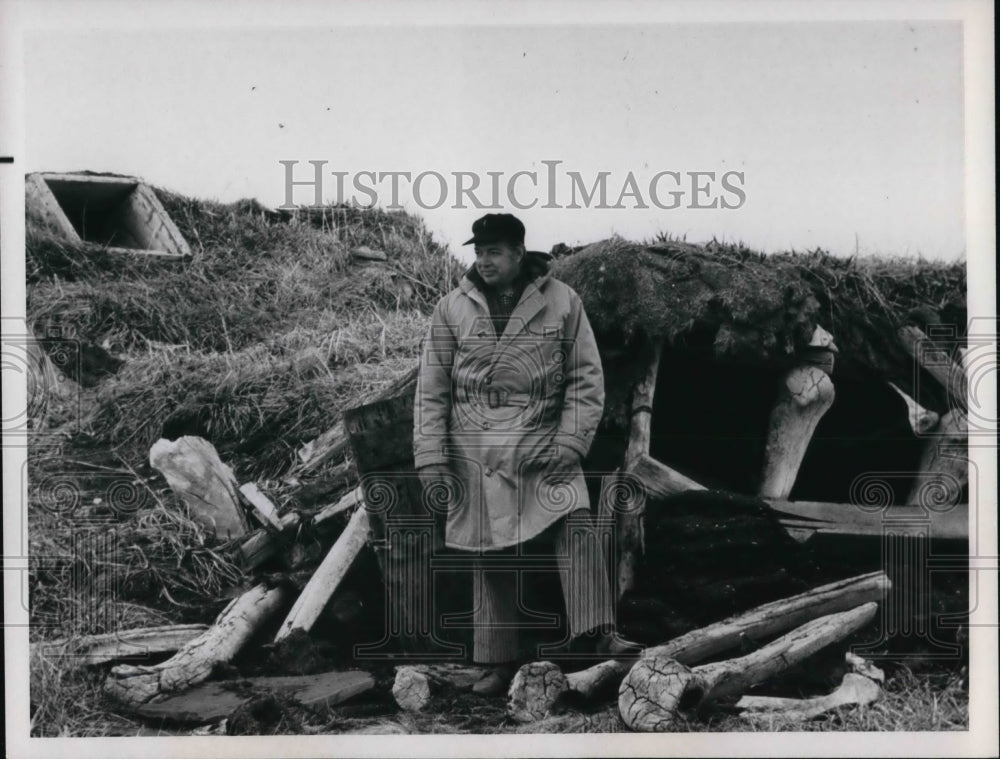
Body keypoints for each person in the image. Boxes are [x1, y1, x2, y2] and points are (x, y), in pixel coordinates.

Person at [413, 213, 637, 696]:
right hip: (477, 448)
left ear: (518, 252)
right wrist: (430, 455)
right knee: (487, 552)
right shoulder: (451, 308)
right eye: (479, 251)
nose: (484, 261)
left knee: (575, 522)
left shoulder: (562, 301)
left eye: (494, 251)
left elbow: (586, 377)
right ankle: (496, 662)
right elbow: (431, 389)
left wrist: (571, 442)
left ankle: (598, 638)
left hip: (542, 442)